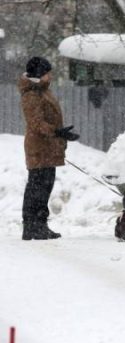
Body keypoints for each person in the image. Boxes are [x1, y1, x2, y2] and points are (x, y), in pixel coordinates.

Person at [18, 57, 80, 240]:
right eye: (47, 73)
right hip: (39, 147)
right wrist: (57, 132)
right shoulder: (31, 94)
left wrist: (59, 133)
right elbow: (36, 123)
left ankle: (39, 225)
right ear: (39, 74)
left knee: (45, 186)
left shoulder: (42, 91)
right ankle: (32, 226)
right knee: (37, 187)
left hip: (48, 146)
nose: (50, 76)